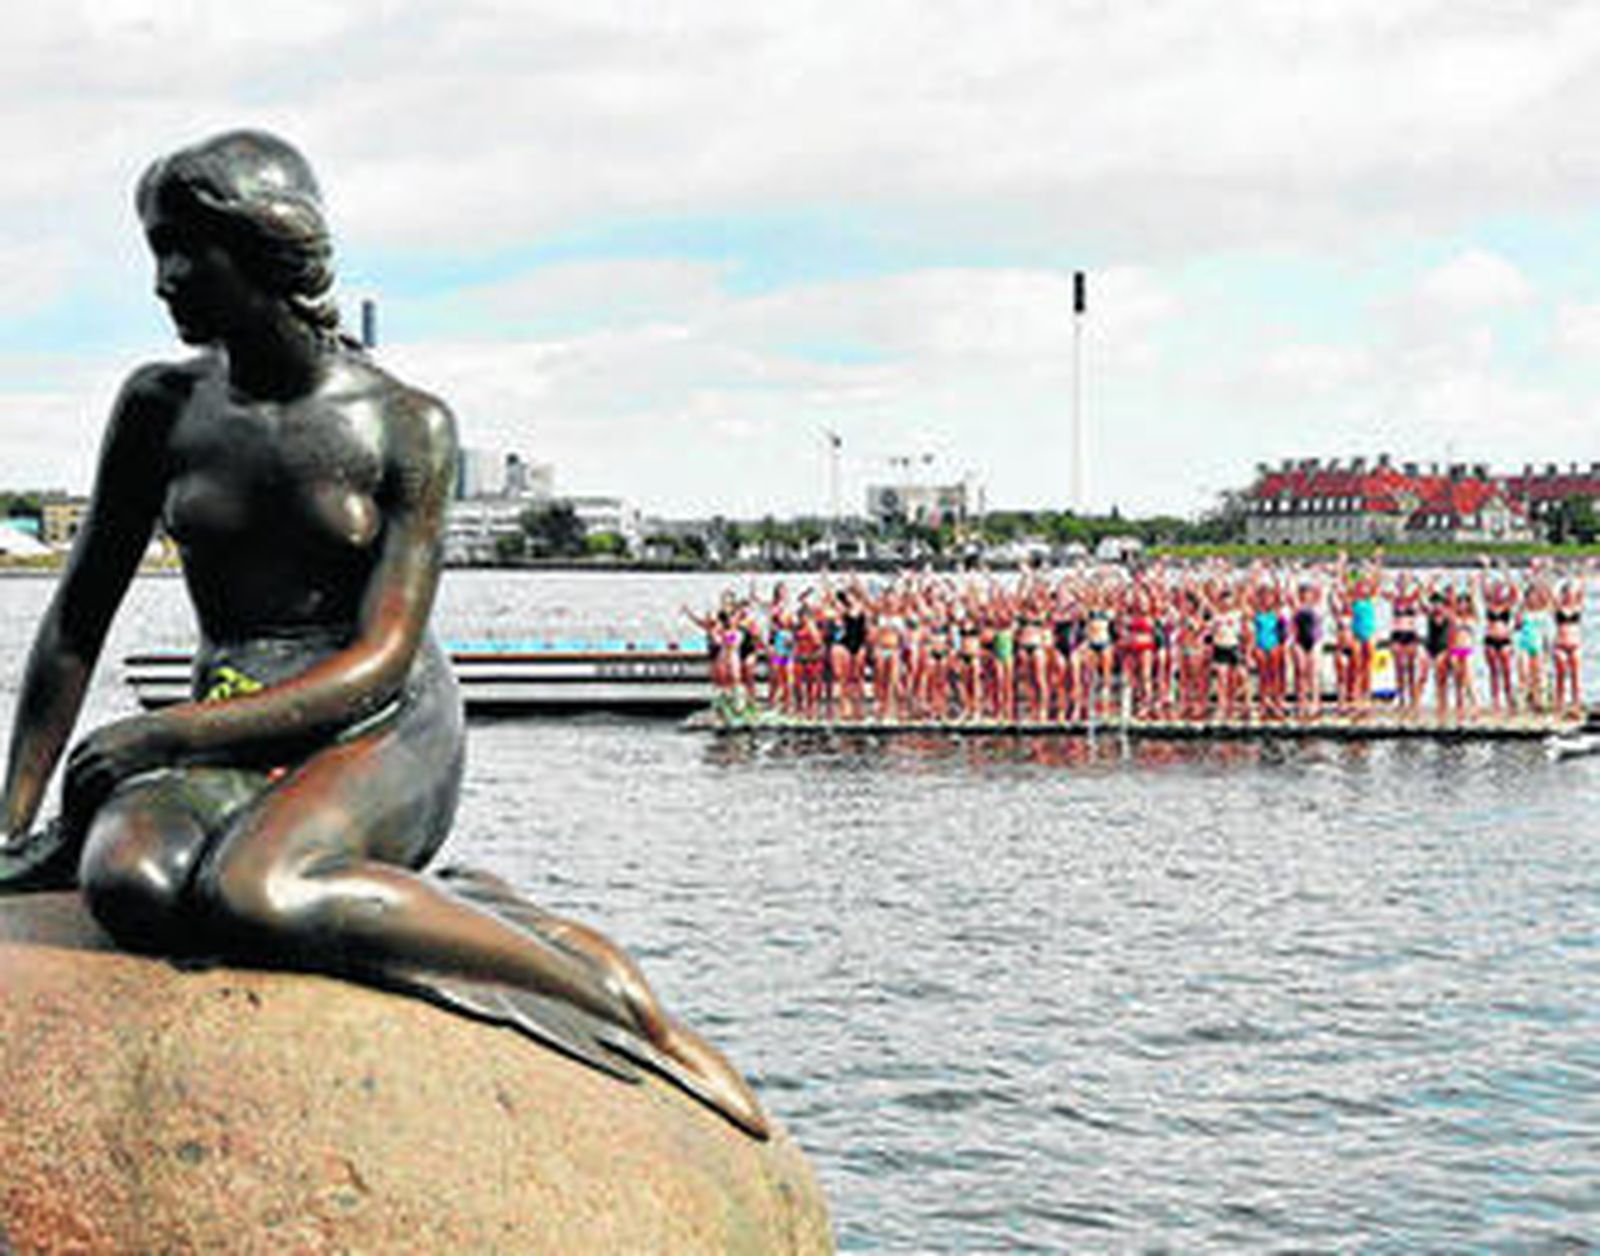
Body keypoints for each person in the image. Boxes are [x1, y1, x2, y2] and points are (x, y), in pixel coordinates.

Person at [0, 131, 766, 1138]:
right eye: (155, 247)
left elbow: (383, 656)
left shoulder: (407, 425)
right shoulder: (160, 406)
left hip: (379, 721)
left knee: (257, 890)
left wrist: (164, 736)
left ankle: (595, 988)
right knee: (129, 881)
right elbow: (75, 620)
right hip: (234, 714)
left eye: (185, 248)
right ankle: (405, 899)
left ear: (266, 250)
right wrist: (13, 824)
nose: (163, 279)